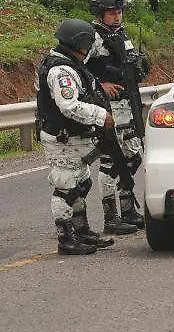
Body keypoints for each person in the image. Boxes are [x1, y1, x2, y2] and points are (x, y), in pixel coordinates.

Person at [37, 19, 117, 255]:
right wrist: (101, 115)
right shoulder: (61, 71)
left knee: (82, 182)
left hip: (73, 136)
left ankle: (81, 230)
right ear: (80, 42)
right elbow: (69, 106)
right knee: (66, 186)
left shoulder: (71, 64)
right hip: (62, 139)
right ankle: (66, 238)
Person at [85, 0, 146, 235]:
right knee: (111, 161)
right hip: (106, 108)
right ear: (100, 13)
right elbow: (77, 69)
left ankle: (128, 209)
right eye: (111, 13)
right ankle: (111, 217)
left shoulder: (122, 35)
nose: (117, 16)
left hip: (128, 105)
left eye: (119, 12)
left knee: (133, 156)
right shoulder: (91, 38)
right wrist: (100, 84)